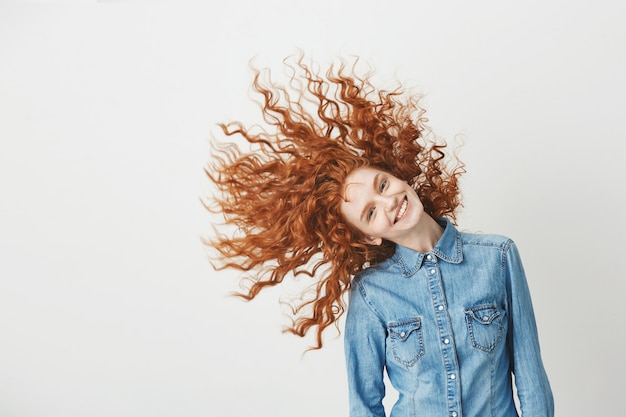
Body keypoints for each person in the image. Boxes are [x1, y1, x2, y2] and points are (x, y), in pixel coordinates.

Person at [204, 54, 554, 416]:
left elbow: (530, 377)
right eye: (370, 212)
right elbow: (365, 404)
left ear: (399, 174)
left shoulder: (497, 257)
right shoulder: (372, 293)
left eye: (383, 184)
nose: (389, 203)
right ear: (369, 236)